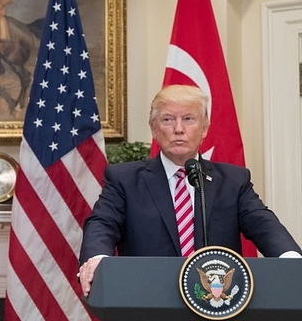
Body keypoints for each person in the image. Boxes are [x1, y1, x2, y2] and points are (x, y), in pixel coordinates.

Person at [78, 85, 301, 296]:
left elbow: (263, 223)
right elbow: (102, 223)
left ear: (204, 128)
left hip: (216, 304)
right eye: (168, 120)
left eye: (188, 119)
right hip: (146, 300)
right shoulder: (124, 180)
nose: (178, 129)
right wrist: (97, 258)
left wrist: (291, 260)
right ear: (154, 128)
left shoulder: (233, 181)